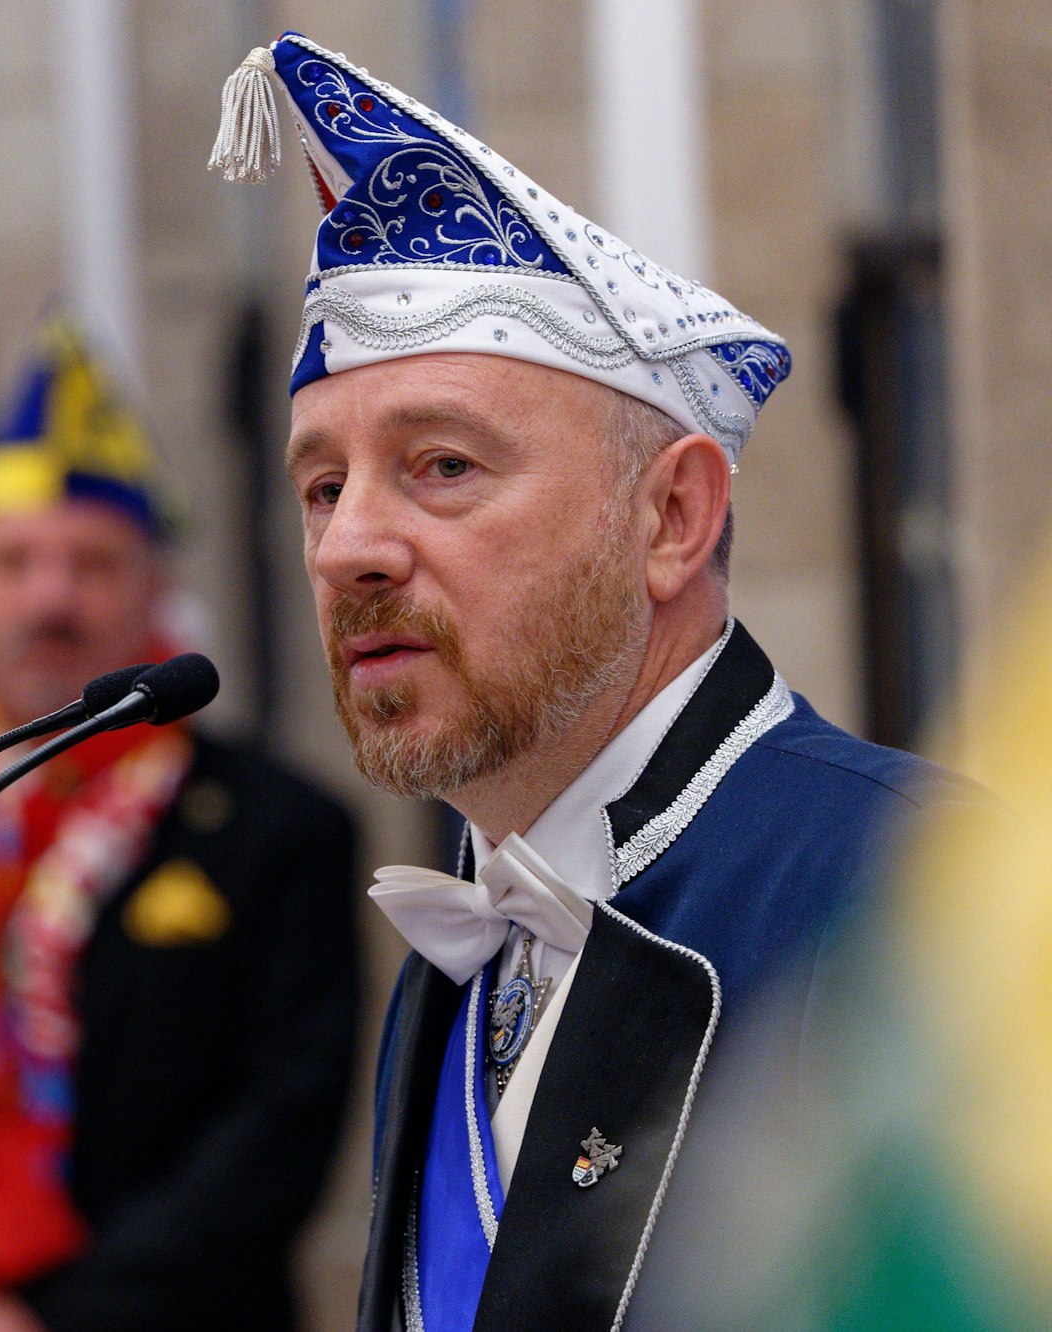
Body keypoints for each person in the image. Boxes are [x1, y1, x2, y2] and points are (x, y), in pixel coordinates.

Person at [210, 32, 956, 1331]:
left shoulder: (911, 893)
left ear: (671, 517)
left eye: (442, 465)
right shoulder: (465, 948)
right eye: (322, 487)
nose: (347, 549)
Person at [0, 320, 360, 1332]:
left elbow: (280, 1127)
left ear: (157, 584)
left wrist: (66, 1321)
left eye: (92, 563)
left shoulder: (276, 828)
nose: (51, 597)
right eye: (14, 562)